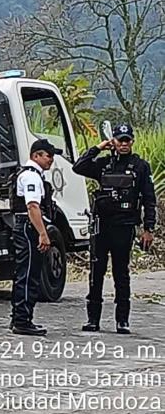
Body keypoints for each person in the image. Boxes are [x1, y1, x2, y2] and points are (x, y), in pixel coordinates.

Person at [73, 123, 156, 334]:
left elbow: (149, 199)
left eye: (127, 140)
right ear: (115, 142)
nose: (124, 144)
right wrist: (100, 146)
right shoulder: (104, 164)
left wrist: (149, 228)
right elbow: (78, 166)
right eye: (120, 140)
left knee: (121, 274)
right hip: (102, 226)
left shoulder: (140, 167)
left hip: (125, 226)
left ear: (132, 141)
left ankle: (122, 321)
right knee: (96, 273)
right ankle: (93, 319)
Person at [10, 138, 61, 336]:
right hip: (29, 227)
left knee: (26, 273)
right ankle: (23, 320)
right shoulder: (31, 177)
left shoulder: (31, 175)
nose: (51, 160)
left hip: (27, 226)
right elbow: (32, 207)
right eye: (49, 156)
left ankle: (19, 318)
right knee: (29, 274)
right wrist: (42, 233)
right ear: (36, 156)